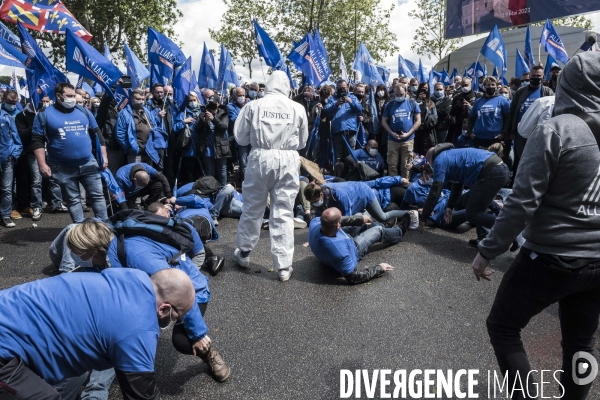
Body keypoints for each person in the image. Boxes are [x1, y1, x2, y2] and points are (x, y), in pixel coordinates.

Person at [472, 51, 600, 400]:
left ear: (569, 83)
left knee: (502, 326)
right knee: (581, 342)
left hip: (551, 256)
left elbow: (521, 202)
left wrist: (487, 251)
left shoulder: (556, 129)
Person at [0, 267, 196, 398]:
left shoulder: (132, 277)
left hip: (8, 308)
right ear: (163, 309)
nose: (175, 321)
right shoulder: (139, 328)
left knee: (72, 374)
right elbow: (142, 394)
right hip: (4, 350)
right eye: (176, 316)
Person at [233, 70, 308, 281]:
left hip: (260, 158)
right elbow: (302, 142)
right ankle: (284, 267)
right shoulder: (298, 108)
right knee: (284, 211)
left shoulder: (253, 105)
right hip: (288, 160)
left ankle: (245, 253)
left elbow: (240, 138)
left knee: (252, 207)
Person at [31, 82, 108, 224]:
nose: (73, 98)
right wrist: (42, 164)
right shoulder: (44, 114)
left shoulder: (84, 111)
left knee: (98, 196)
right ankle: (79, 231)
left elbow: (97, 134)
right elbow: (37, 141)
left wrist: (104, 157)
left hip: (88, 163)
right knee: (73, 199)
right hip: (62, 167)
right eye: (69, 96)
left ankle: (104, 227)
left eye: (74, 96)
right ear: (59, 96)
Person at [420, 144, 510, 245]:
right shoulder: (452, 154)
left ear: (430, 160)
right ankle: (484, 236)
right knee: (475, 200)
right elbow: (458, 185)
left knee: (472, 214)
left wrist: (424, 217)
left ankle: (509, 226)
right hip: (501, 169)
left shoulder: (439, 161)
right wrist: (450, 207)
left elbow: (435, 191)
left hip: (490, 172)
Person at [309, 207, 411, 284]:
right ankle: (400, 232)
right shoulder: (341, 254)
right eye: (340, 221)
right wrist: (380, 268)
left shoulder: (316, 222)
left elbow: (341, 220)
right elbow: (354, 277)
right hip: (353, 249)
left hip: (339, 238)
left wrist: (360, 219)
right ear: (337, 225)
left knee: (362, 219)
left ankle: (385, 226)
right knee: (377, 231)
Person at [304, 181, 419, 228]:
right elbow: (320, 217)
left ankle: (410, 212)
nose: (315, 204)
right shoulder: (318, 195)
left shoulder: (339, 195)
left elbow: (347, 219)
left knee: (382, 217)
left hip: (364, 193)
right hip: (353, 197)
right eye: (312, 203)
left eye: (315, 201)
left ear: (320, 195)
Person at [508, 65, 553, 180]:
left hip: (540, 134)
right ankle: (518, 182)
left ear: (543, 76)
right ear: (529, 76)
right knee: (520, 159)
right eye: (533, 76)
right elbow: (512, 112)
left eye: (538, 76)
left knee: (538, 159)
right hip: (521, 133)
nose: (536, 78)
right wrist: (511, 130)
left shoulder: (548, 92)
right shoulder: (520, 93)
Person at [115, 88, 167, 168]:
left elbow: (153, 125)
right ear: (132, 99)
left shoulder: (146, 112)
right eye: (138, 99)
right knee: (136, 174)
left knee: (147, 176)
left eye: (143, 99)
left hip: (149, 151)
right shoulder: (124, 113)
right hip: (135, 153)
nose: (141, 101)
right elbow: (120, 134)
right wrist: (130, 148)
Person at [382, 83, 421, 178]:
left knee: (406, 166)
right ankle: (393, 185)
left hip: (408, 140)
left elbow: (418, 121)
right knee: (392, 165)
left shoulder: (412, 103)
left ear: (406, 92)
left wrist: (408, 134)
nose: (399, 97)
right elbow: (383, 121)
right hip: (392, 139)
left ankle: (405, 184)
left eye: (401, 94)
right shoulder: (389, 104)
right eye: (396, 95)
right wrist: (392, 133)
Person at [324, 79, 362, 163]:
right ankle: (338, 173)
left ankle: (349, 175)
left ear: (347, 87)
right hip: (338, 131)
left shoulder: (352, 97)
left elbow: (359, 109)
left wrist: (351, 102)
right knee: (338, 157)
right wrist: (336, 104)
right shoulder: (333, 99)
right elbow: (326, 110)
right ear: (337, 88)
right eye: (340, 88)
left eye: (344, 87)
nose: (342, 89)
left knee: (350, 157)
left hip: (350, 131)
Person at [195, 95, 231, 186]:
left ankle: (223, 190)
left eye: (214, 104)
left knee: (222, 171)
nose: (212, 107)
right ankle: (211, 190)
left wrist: (214, 119)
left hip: (220, 147)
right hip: (208, 147)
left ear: (218, 104)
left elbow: (224, 127)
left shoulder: (223, 114)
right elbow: (197, 130)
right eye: (210, 104)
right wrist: (201, 121)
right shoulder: (205, 113)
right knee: (210, 172)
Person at [467, 76, 510, 149]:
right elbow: (471, 117)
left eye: (493, 85)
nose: (491, 87)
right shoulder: (478, 101)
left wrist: (503, 133)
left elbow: (508, 118)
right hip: (479, 137)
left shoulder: (502, 100)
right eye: (488, 85)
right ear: (484, 86)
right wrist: (470, 132)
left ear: (496, 87)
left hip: (496, 138)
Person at [0, 102, 21, 228]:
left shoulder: (6, 117)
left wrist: (13, 155)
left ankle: (5, 216)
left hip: (6, 159)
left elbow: (17, 140)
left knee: (6, 189)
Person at [447, 77, 479, 144]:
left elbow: (479, 111)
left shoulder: (477, 96)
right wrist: (457, 106)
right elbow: (451, 113)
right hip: (459, 125)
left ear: (471, 85)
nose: (464, 87)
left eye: (466, 85)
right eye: (462, 85)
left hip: (473, 125)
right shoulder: (457, 97)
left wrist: (470, 106)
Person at [228, 87, 249, 182]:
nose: (242, 97)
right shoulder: (230, 106)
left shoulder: (250, 103)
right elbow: (236, 120)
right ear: (234, 96)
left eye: (243, 95)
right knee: (244, 164)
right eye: (239, 95)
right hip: (241, 139)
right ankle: (244, 184)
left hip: (252, 138)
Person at [414, 84, 438, 155]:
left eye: (426, 88)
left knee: (426, 152)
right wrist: (419, 100)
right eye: (423, 88)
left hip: (427, 132)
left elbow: (435, 117)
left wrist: (426, 124)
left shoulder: (431, 103)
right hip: (416, 131)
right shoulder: (414, 102)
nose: (425, 90)